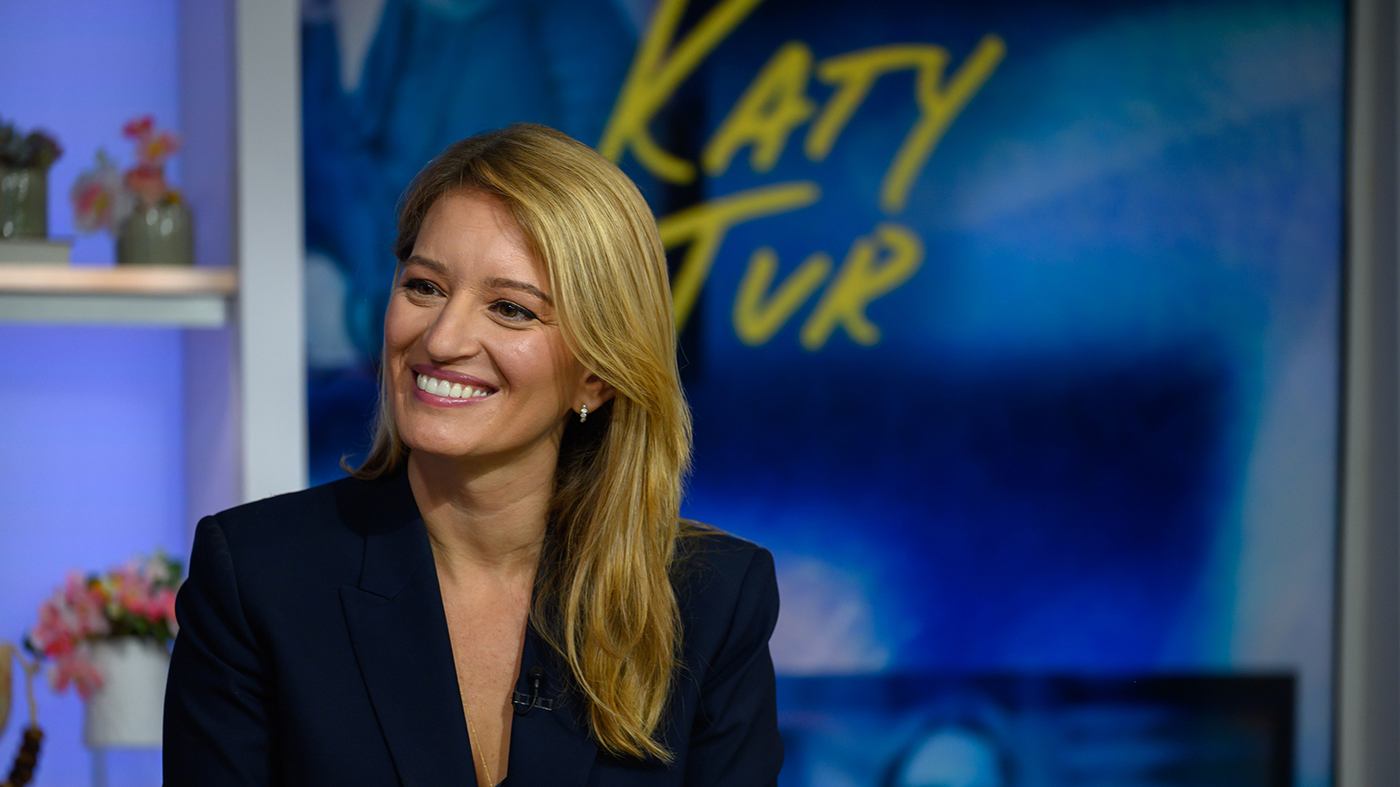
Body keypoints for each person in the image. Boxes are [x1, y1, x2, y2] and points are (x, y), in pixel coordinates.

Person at [163, 123, 783, 786]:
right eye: (424, 287)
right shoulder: (258, 576)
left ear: (595, 376)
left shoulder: (713, 601)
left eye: (511, 309)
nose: (442, 338)